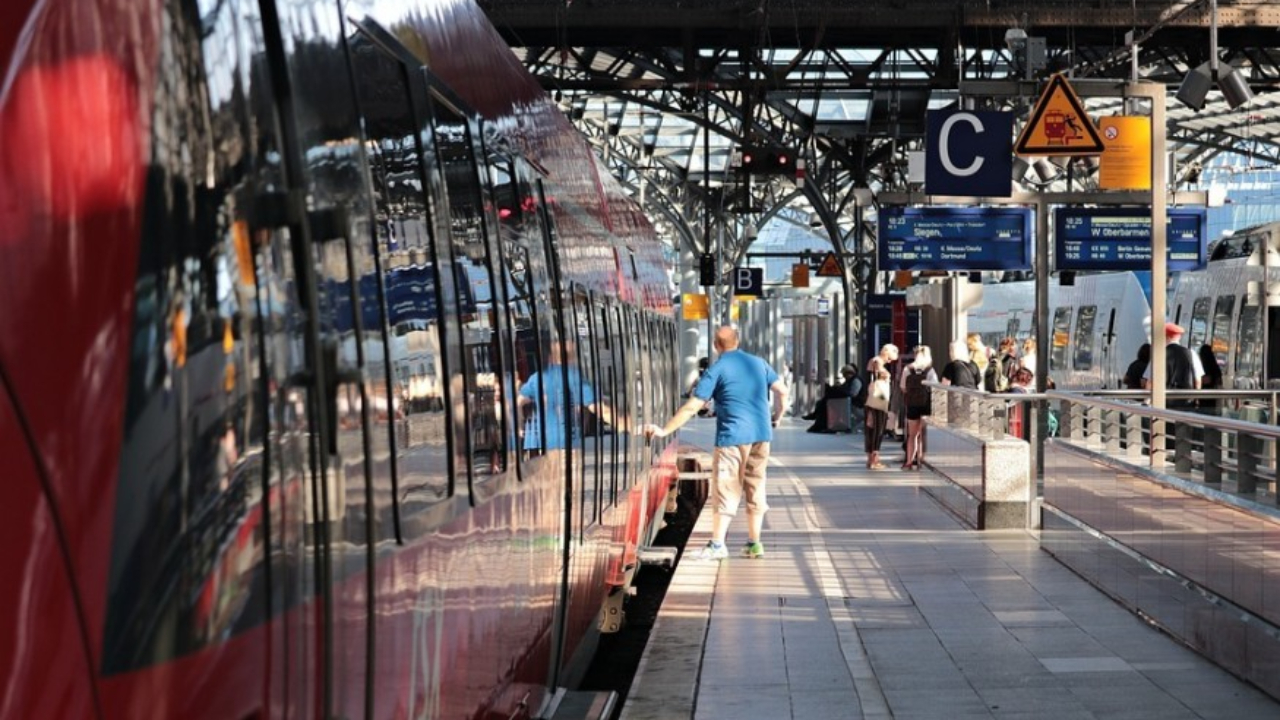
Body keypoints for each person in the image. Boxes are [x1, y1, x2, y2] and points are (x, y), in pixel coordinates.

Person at [644, 326, 787, 561]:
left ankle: (718, 544)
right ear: (737, 341)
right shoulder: (758, 363)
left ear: (715, 345)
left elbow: (693, 406)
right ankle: (754, 543)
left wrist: (665, 430)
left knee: (726, 489)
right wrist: (777, 417)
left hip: (732, 438)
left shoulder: (717, 369)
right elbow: (782, 391)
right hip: (762, 436)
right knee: (756, 486)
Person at [519, 339, 613, 452]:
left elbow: (517, 403)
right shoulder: (573, 377)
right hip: (565, 439)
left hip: (540, 440)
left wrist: (519, 426)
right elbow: (598, 408)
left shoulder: (536, 377)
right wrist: (623, 423)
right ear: (572, 358)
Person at [1142, 322, 1204, 409]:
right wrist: (1196, 399)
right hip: (1186, 402)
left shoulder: (1159, 354)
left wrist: (1147, 400)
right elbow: (1197, 380)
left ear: (1166, 337)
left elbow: (1151, 381)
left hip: (1163, 402)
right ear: (1179, 337)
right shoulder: (1191, 353)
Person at [900, 345, 937, 470]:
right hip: (926, 405)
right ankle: (921, 460)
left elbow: (903, 387)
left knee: (912, 435)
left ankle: (909, 461)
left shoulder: (908, 369)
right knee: (923, 435)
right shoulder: (930, 370)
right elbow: (935, 387)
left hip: (912, 405)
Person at [864, 349, 896, 470]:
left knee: (870, 429)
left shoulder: (873, 361)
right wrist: (884, 374)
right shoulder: (877, 362)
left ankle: (870, 458)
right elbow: (877, 372)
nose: (890, 361)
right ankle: (874, 459)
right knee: (879, 428)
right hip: (879, 400)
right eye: (890, 358)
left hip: (871, 400)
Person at [806, 364, 861, 433]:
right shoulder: (850, 381)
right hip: (845, 402)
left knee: (825, 402)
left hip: (854, 403)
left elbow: (853, 394)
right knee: (825, 402)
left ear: (849, 373)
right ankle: (819, 422)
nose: (844, 377)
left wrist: (841, 391)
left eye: (845, 375)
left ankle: (817, 418)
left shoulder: (856, 381)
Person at [1198, 344, 1224, 412]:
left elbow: (1204, 382)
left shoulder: (1203, 368)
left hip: (1203, 400)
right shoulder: (1216, 368)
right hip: (1213, 400)